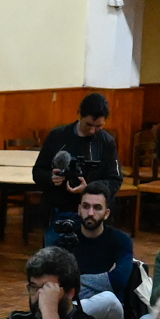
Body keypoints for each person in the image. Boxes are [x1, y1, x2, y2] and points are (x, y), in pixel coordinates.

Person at [55, 186, 143, 319]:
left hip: (108, 314)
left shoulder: (120, 240)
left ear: (106, 213)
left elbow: (118, 280)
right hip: (71, 307)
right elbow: (55, 281)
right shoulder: (65, 239)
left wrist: (75, 283)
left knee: (108, 299)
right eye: (86, 206)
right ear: (79, 209)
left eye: (97, 208)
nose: (90, 213)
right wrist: (103, 280)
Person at [34, 91, 122, 236]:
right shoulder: (57, 136)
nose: (93, 130)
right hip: (57, 211)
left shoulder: (107, 142)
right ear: (79, 114)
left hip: (92, 218)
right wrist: (51, 177)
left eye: (99, 126)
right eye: (88, 124)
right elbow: (37, 172)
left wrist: (89, 189)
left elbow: (115, 180)